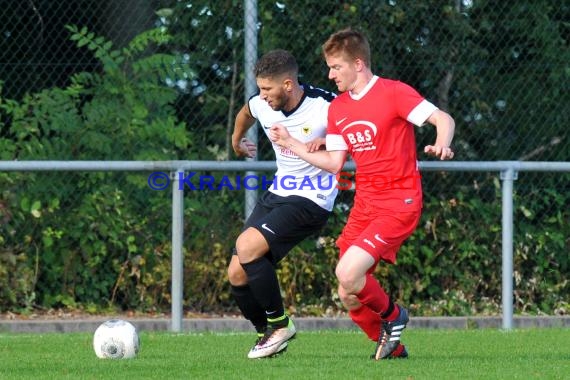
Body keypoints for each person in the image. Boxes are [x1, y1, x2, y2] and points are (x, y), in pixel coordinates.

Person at [270, 28, 455, 360]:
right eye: (328, 67)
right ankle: (392, 346)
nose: (330, 74)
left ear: (358, 63)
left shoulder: (394, 93)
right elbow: (333, 163)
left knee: (348, 273)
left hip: (400, 202)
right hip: (365, 204)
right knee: (348, 291)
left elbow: (442, 118)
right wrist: (291, 144)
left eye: (336, 67)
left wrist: (442, 141)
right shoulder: (338, 109)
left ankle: (394, 316)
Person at [227, 49, 339, 359]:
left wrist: (329, 141)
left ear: (288, 84)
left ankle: (279, 325)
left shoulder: (326, 106)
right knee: (237, 273)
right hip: (280, 191)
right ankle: (269, 334)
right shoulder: (263, 104)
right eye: (259, 88)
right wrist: (237, 140)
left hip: (313, 197)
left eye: (267, 89)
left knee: (247, 246)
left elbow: (359, 138)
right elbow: (246, 113)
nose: (262, 96)